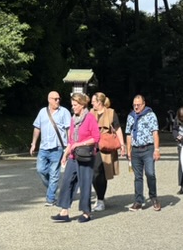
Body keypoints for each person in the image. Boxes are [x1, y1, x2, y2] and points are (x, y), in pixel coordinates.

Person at [51, 92, 99, 223]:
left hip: (86, 156)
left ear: (82, 105)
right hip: (73, 155)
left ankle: (86, 213)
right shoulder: (73, 119)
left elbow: (96, 138)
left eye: (75, 105)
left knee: (84, 184)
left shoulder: (90, 118)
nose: (73, 107)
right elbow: (71, 140)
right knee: (67, 181)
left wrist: (80, 143)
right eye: (72, 105)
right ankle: (64, 211)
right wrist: (65, 154)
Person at [30, 91, 71, 206]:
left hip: (57, 147)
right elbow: (37, 127)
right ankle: (52, 188)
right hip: (43, 147)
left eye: (59, 99)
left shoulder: (64, 112)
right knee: (40, 170)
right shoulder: (42, 112)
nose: (58, 101)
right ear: (49, 99)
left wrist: (69, 146)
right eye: (55, 99)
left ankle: (50, 198)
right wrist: (33, 143)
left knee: (54, 173)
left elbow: (69, 130)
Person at [90, 92, 126, 212]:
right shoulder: (91, 113)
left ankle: (100, 199)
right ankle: (99, 196)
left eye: (93, 101)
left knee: (102, 172)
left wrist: (122, 144)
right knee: (94, 174)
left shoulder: (111, 113)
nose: (92, 103)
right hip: (92, 146)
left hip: (105, 146)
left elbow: (117, 128)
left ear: (99, 102)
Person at [126, 94, 161, 211]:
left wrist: (156, 149)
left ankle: (153, 197)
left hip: (148, 148)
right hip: (135, 150)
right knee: (137, 176)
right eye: (134, 105)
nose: (136, 107)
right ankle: (138, 201)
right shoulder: (130, 117)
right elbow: (129, 134)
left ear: (143, 104)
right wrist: (128, 150)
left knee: (150, 173)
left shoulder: (150, 115)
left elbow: (155, 132)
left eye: (138, 105)